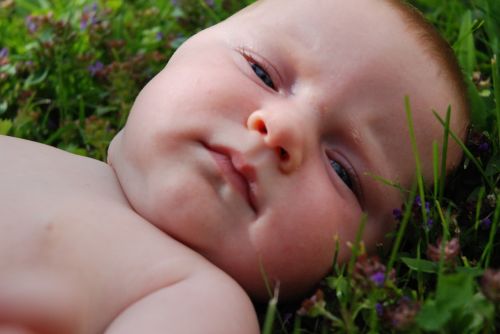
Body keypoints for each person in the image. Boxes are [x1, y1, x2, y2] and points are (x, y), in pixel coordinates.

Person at [0, 0, 469, 332]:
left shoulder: (198, 299)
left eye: (343, 171)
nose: (283, 129)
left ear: (358, 262)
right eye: (262, 72)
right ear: (182, 49)